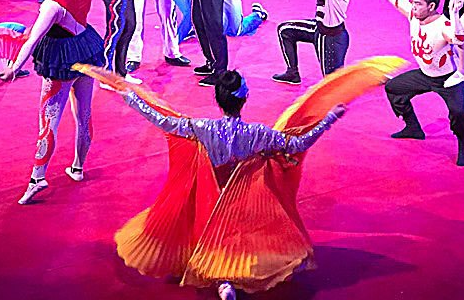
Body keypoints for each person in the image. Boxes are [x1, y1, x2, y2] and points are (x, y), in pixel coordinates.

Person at [120, 70, 347, 299]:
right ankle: (232, 274)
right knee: (242, 231)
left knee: (212, 230)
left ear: (218, 99)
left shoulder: (202, 127)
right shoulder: (258, 133)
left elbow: (163, 121)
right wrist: (328, 120)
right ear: (245, 98)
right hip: (246, 205)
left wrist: (132, 99)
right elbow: (298, 144)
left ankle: (223, 281)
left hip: (211, 200)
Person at [0, 0, 108, 205]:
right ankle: (78, 167)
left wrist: (14, 68)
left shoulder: (52, 4)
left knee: (49, 121)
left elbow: (32, 40)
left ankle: (38, 177)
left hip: (61, 61)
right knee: (84, 114)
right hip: (86, 52)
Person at [382, 0, 464, 166]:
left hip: (448, 79)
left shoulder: (443, 25)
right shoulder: (414, 16)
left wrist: (456, 16)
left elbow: (461, 40)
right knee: (394, 89)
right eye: (412, 3)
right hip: (424, 75)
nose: (412, 7)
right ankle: (413, 127)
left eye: (418, 4)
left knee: (458, 113)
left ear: (431, 6)